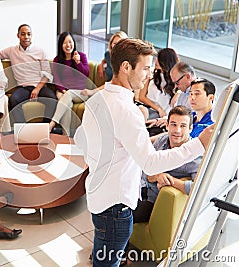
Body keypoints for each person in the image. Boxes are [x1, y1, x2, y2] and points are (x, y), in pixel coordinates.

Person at [74, 38, 213, 266]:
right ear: (125, 67)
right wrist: (198, 144)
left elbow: (81, 140)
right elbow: (150, 163)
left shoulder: (98, 99)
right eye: (146, 68)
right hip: (116, 207)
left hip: (98, 196)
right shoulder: (126, 110)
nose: (149, 74)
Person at [134, 106, 201, 223]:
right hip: (144, 189)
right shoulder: (162, 140)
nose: (177, 130)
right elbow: (143, 168)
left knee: (123, 215)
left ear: (190, 129)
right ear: (167, 125)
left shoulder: (196, 155)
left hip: (159, 203)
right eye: (173, 124)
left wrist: (170, 181)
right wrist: (156, 176)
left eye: (183, 126)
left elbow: (198, 189)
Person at [0, 24, 57, 123]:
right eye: (23, 34)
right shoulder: (11, 50)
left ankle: (45, 127)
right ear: (18, 35)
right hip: (23, 88)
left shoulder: (41, 51)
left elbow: (47, 74)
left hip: (39, 87)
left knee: (52, 100)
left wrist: (37, 89)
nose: (26, 37)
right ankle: (23, 129)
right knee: (13, 100)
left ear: (31, 35)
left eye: (28, 34)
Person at [48, 32, 89, 136]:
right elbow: (57, 79)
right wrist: (62, 90)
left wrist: (78, 62)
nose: (68, 45)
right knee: (68, 105)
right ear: (61, 45)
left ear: (74, 43)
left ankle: (52, 123)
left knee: (69, 95)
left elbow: (86, 74)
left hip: (80, 92)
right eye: (65, 43)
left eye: (70, 42)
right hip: (63, 91)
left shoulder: (81, 56)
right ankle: (66, 136)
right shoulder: (57, 60)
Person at [138, 48, 179, 120]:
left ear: (166, 62)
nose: (156, 61)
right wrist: (159, 109)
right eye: (157, 58)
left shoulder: (176, 79)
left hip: (161, 116)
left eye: (159, 59)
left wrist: (178, 93)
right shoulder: (151, 73)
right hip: (146, 108)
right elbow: (141, 97)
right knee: (141, 112)